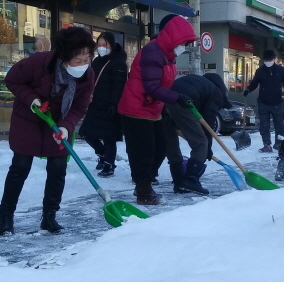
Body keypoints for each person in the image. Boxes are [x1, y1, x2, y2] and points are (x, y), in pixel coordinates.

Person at [0, 27, 95, 235]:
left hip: (59, 123)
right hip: (28, 121)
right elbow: (13, 80)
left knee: (58, 167)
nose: (83, 65)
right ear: (64, 56)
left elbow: (79, 107)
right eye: (78, 60)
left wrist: (65, 125)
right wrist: (32, 99)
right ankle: (5, 216)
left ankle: (50, 216)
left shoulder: (87, 75)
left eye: (87, 58)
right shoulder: (38, 62)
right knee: (20, 166)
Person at [117, 14, 197, 205]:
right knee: (143, 152)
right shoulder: (153, 52)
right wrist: (177, 98)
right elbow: (151, 86)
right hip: (136, 108)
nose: (184, 47)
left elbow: (163, 85)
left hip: (152, 108)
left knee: (161, 147)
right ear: (174, 37)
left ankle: (145, 181)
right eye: (183, 42)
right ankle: (143, 189)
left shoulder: (169, 56)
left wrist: (168, 103)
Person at [164, 73, 232, 195]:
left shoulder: (199, 82)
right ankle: (190, 180)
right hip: (184, 102)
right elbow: (208, 122)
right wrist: (207, 148)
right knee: (201, 143)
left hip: (165, 99)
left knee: (170, 140)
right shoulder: (215, 91)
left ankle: (179, 180)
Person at [79, 32, 127, 178]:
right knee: (87, 134)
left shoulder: (118, 62)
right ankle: (102, 154)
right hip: (95, 103)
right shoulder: (97, 61)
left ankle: (109, 165)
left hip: (110, 105)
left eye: (104, 45)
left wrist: (114, 103)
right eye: (99, 45)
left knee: (109, 137)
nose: (101, 48)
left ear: (111, 45)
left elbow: (119, 85)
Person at [243, 49, 284, 152]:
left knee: (279, 125)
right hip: (263, 102)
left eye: (270, 59)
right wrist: (248, 89)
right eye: (266, 59)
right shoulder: (260, 71)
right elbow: (254, 83)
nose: (268, 61)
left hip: (277, 102)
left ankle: (278, 143)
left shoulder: (281, 70)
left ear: (274, 59)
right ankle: (267, 144)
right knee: (264, 126)